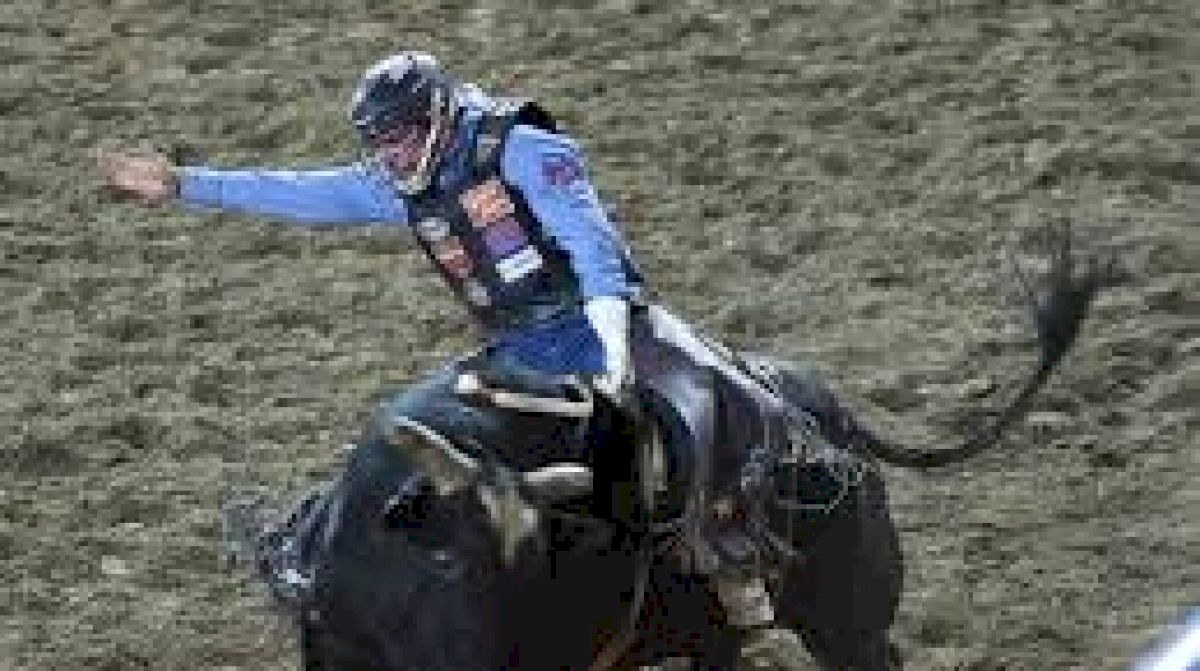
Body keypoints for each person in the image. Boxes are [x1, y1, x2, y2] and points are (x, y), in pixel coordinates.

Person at [98, 50, 775, 630]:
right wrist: (185, 185)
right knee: (408, 432)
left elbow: (592, 250)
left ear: (442, 114)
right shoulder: (401, 180)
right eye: (379, 142)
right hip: (517, 346)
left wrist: (613, 355)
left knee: (689, 420)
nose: (390, 154)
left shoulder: (523, 148)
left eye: (400, 136)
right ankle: (316, 545)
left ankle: (728, 552)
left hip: (602, 323)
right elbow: (304, 192)